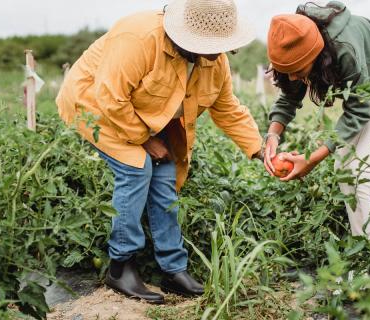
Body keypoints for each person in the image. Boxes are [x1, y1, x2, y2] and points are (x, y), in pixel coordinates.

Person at [56, 0, 263, 304]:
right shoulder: (139, 38)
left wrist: (259, 150)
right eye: (211, 46)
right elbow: (110, 98)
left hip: (148, 113)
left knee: (165, 176)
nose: (218, 53)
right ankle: (120, 265)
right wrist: (145, 139)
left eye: (223, 46)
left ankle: (173, 268)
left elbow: (228, 109)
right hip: (96, 105)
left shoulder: (214, 61)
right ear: (187, 35)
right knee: (137, 168)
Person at [263, 1, 370, 237]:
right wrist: (272, 135)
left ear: (316, 55)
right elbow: (289, 98)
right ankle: (362, 253)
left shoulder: (344, 49)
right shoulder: (293, 42)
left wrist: (310, 159)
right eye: (286, 70)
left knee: (364, 167)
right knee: (343, 165)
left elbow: (358, 110)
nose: (292, 77)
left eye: (298, 70)